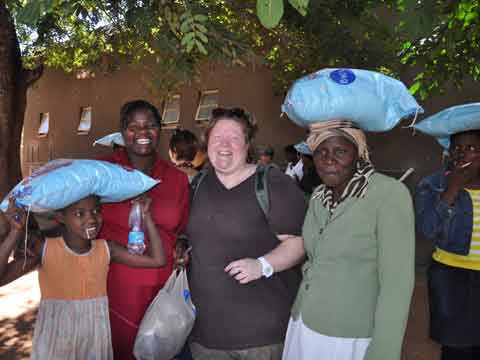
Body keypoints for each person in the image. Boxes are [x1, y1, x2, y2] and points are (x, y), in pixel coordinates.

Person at [282, 119, 415, 360]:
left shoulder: (388, 195)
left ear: (359, 154)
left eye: (340, 151)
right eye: (321, 151)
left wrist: (384, 351)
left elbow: (397, 285)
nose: (328, 159)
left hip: (347, 335)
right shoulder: (319, 195)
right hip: (305, 321)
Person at [186, 107, 307, 360]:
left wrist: (262, 265)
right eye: (217, 137)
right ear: (207, 142)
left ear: (247, 144)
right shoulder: (197, 185)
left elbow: (299, 243)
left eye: (234, 138)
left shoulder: (273, 184)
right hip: (205, 334)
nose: (224, 145)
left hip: (259, 336)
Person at [0, 195, 166, 359]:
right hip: (57, 340)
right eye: (79, 214)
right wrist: (15, 232)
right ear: (61, 218)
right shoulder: (45, 249)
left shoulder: (107, 249)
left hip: (94, 339)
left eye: (95, 211)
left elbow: (157, 260)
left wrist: (146, 216)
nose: (92, 219)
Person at [98, 100, 190, 359]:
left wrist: (182, 243)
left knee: (163, 350)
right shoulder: (102, 173)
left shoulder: (177, 178)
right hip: (117, 288)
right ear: (122, 131)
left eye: (150, 126)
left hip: (164, 289)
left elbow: (182, 227)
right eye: (133, 127)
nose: (142, 133)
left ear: (160, 130)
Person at [415, 129, 480, 360]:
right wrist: (452, 189)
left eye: (471, 148)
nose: (461, 154)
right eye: (457, 148)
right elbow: (427, 229)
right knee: (456, 349)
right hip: (451, 279)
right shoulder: (433, 184)